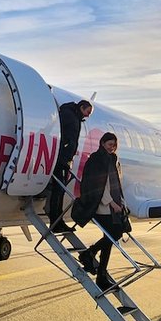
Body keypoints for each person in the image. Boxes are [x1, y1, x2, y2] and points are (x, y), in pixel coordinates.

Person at [72, 132, 129, 292]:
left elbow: (116, 183)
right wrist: (111, 202)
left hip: (113, 206)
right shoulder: (96, 159)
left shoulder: (113, 159)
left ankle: (101, 275)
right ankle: (89, 254)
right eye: (110, 144)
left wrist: (122, 202)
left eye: (115, 145)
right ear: (103, 143)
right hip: (101, 206)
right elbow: (99, 184)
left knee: (110, 240)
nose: (112, 147)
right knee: (114, 235)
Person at [47, 99, 93, 232]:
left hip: (65, 160)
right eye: (88, 112)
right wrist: (64, 153)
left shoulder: (75, 117)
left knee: (60, 191)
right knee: (58, 190)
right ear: (82, 107)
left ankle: (58, 221)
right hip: (60, 159)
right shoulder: (68, 115)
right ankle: (55, 221)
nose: (88, 115)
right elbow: (59, 133)